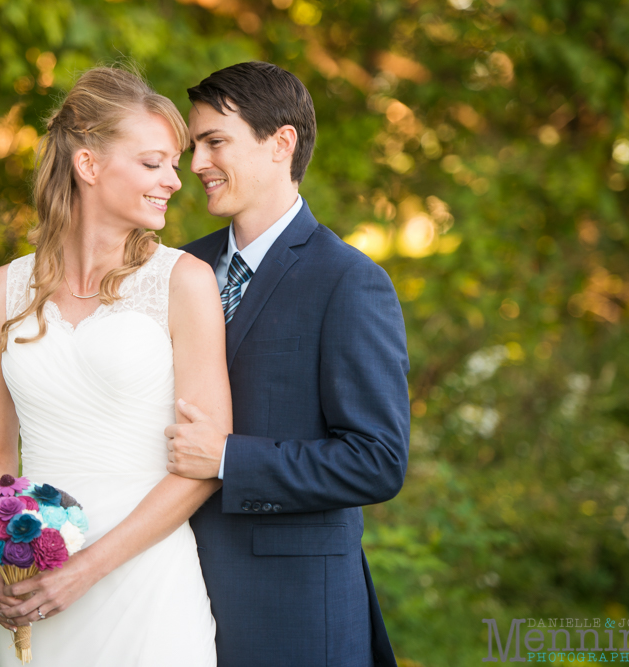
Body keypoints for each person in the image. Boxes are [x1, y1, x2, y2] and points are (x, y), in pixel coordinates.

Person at [0, 67, 229, 666]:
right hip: (32, 583)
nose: (174, 181)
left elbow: (206, 464)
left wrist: (81, 572)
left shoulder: (183, 283)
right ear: (88, 165)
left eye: (173, 164)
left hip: (148, 583)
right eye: (153, 163)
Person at [166, 61, 411, 667]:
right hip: (167, 593)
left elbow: (376, 461)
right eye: (193, 145)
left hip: (293, 614)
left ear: (281, 143)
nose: (195, 164)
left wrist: (227, 458)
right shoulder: (174, 269)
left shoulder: (350, 282)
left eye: (214, 142)